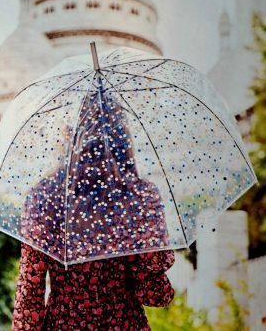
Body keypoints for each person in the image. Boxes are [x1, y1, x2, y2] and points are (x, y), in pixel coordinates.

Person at [12, 90, 175, 330]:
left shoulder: (44, 197)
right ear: (122, 137)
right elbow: (156, 295)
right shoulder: (139, 197)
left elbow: (30, 297)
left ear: (69, 136)